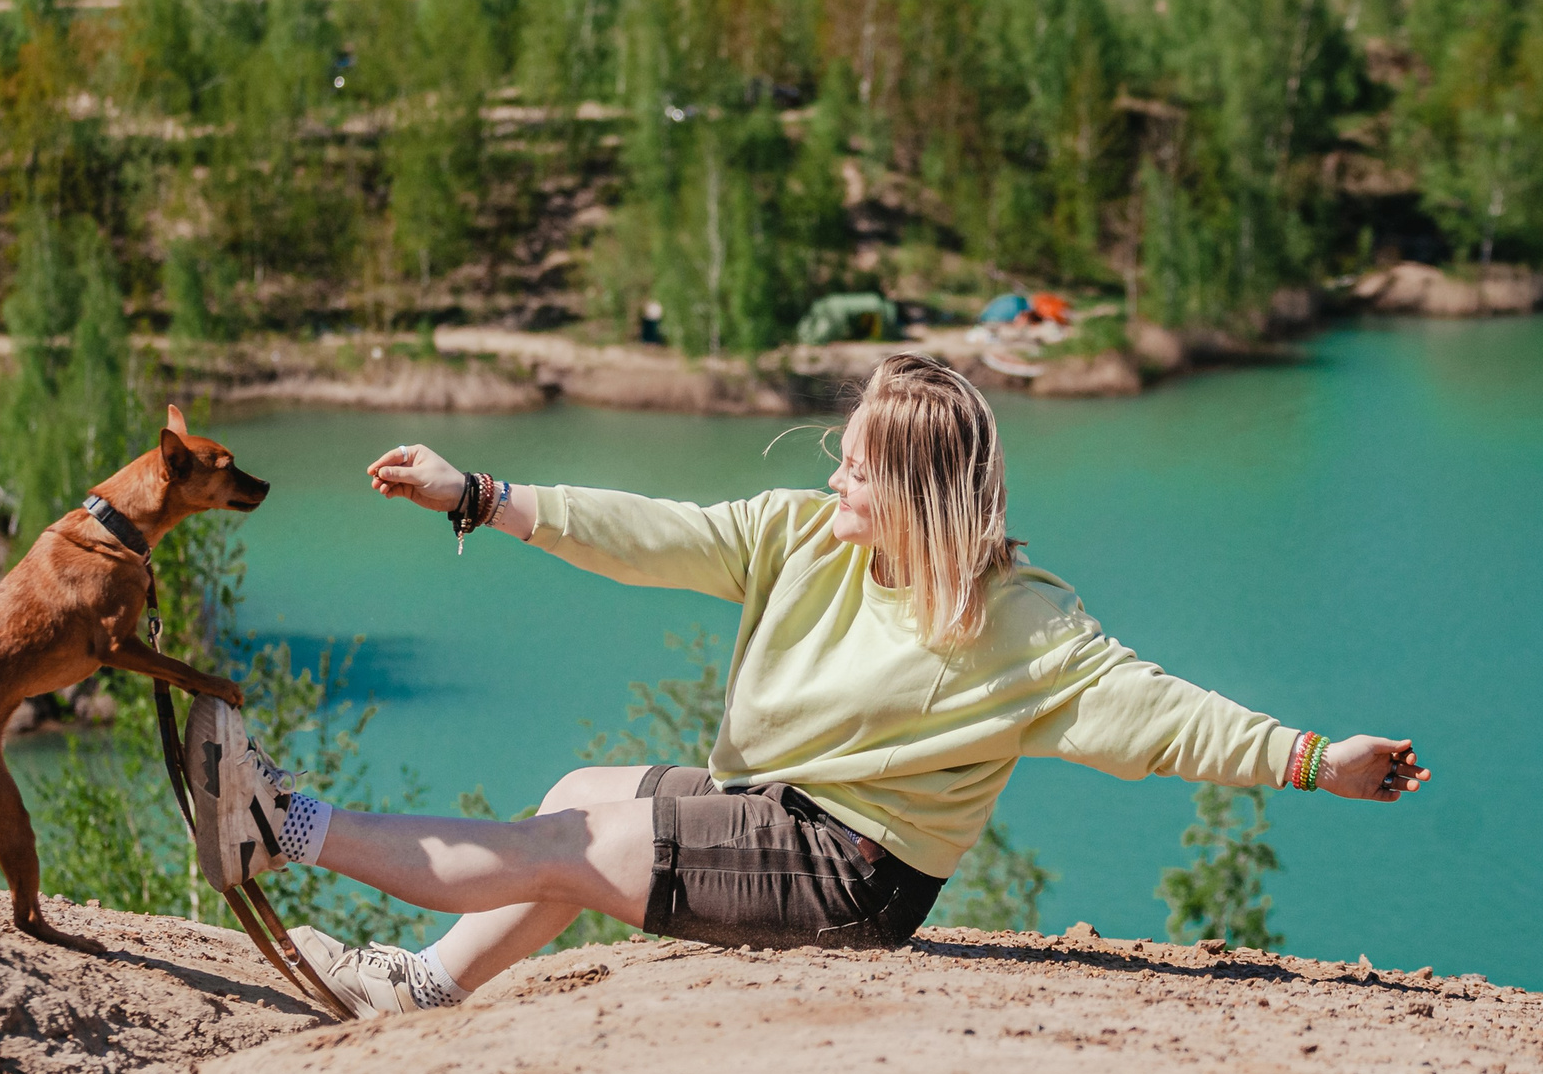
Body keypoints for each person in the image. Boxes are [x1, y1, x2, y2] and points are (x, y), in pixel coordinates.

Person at [183, 353, 1430, 1018]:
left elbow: (1160, 716)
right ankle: (424, 984)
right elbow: (649, 530)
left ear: (921, 496)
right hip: (778, 807)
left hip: (857, 876)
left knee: (562, 844)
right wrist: (482, 497)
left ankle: (285, 827)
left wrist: (1315, 758)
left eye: (856, 473)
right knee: (579, 790)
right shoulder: (802, 536)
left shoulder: (1018, 628)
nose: (833, 483)